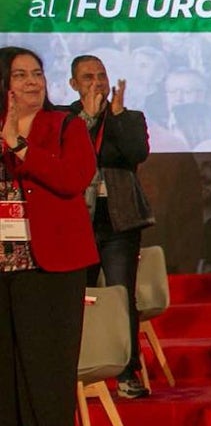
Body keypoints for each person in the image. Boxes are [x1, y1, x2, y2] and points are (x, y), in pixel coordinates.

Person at [0, 46, 97, 426]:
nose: (31, 82)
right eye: (19, 75)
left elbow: (73, 178)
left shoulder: (64, 125)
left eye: (36, 73)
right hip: (4, 261)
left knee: (48, 369)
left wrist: (21, 146)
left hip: (51, 262)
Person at [67, 54, 154, 399]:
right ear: (73, 84)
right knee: (79, 297)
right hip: (77, 222)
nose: (97, 83)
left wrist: (114, 116)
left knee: (121, 296)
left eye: (101, 76)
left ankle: (127, 371)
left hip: (119, 220)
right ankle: (78, 367)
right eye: (88, 77)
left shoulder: (128, 116)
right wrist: (88, 117)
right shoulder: (64, 117)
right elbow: (73, 154)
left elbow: (135, 153)